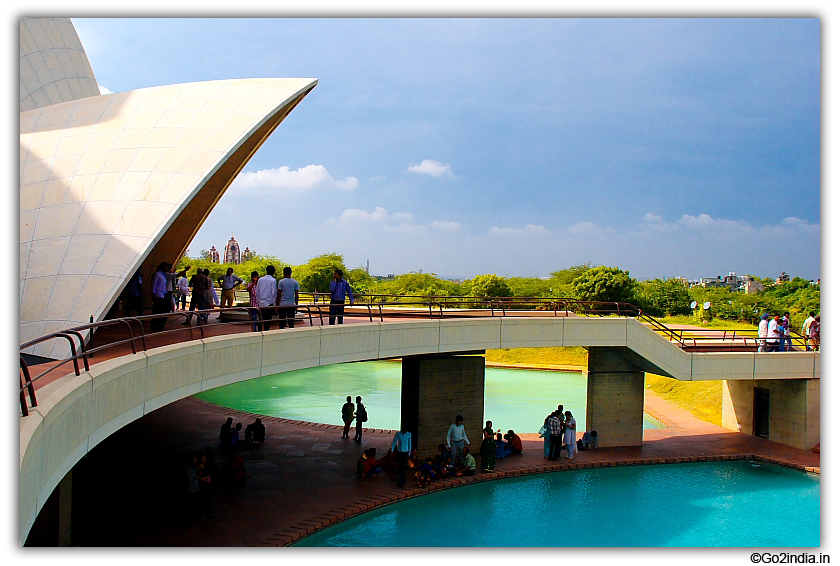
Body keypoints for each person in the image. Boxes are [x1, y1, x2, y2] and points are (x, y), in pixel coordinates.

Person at [150, 262, 172, 331]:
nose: (167, 269)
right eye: (166, 267)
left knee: (162, 311)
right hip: (158, 295)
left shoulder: (163, 275)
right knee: (157, 311)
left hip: (162, 294)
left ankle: (159, 325)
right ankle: (155, 326)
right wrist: (153, 294)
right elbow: (154, 284)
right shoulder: (157, 274)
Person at [256, 266, 278, 331]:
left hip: (261, 303)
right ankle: (266, 332)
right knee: (267, 321)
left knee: (260, 320)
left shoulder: (260, 280)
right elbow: (274, 293)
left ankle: (259, 332)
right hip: (269, 303)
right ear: (273, 272)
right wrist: (274, 304)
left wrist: (258, 301)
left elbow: (257, 291)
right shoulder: (273, 280)